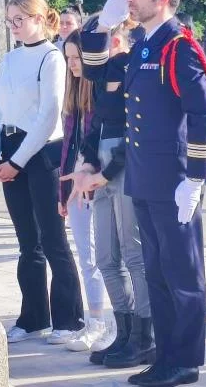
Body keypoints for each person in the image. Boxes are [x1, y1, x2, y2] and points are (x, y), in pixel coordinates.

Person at [73, 0, 206, 386]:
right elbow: (94, 70)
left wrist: (195, 178)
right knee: (156, 272)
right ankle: (165, 355)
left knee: (182, 275)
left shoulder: (179, 47)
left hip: (173, 181)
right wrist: (102, 24)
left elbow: (204, 115)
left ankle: (185, 362)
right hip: (145, 180)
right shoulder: (145, 46)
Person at [0, 0, 85, 343]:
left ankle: (69, 320)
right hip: (11, 150)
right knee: (27, 243)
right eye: (10, 21)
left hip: (41, 154)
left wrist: (16, 161)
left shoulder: (51, 58)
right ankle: (33, 318)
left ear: (40, 19)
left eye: (19, 20)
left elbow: (47, 117)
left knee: (53, 239)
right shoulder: (10, 60)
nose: (14, 26)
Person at [62, 18, 156, 368]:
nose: (81, 62)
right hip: (100, 168)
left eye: (83, 54)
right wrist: (87, 164)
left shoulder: (134, 71)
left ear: (115, 42)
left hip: (123, 170)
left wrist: (105, 173)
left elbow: (137, 131)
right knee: (105, 257)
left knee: (134, 256)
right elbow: (97, 126)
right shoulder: (101, 80)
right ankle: (126, 330)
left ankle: (144, 337)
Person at [57, 29, 109, 350]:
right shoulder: (72, 95)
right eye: (68, 58)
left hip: (99, 181)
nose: (72, 64)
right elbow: (66, 146)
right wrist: (61, 194)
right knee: (86, 255)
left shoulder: (102, 93)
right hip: (73, 183)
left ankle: (104, 323)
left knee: (104, 256)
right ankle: (95, 322)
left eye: (76, 57)